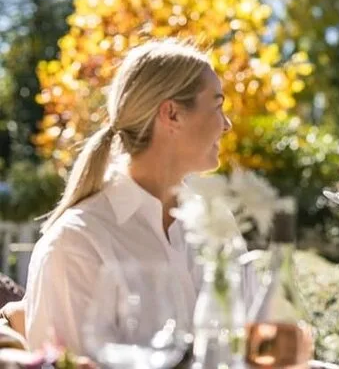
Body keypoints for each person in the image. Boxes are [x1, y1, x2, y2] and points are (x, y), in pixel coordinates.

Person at [24, 39, 233, 354]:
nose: (227, 124)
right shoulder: (76, 244)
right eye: (216, 106)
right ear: (172, 114)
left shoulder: (216, 223)